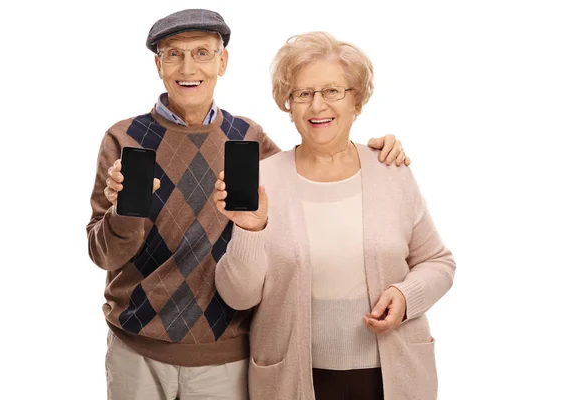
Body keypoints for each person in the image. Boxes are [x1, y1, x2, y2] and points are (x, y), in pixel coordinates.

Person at [86, 9, 409, 400]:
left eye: (203, 53)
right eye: (173, 54)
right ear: (158, 65)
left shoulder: (248, 137)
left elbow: (310, 167)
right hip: (136, 351)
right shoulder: (124, 138)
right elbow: (103, 255)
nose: (189, 67)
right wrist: (123, 212)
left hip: (226, 356)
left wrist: (371, 153)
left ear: (223, 62)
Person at [213, 31, 456, 400]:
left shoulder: (391, 169)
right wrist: (250, 230)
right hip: (293, 379)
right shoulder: (264, 179)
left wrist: (407, 295)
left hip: (392, 377)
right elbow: (239, 297)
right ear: (288, 105)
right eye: (303, 94)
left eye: (332, 91)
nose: (317, 106)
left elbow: (439, 262)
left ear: (356, 101)